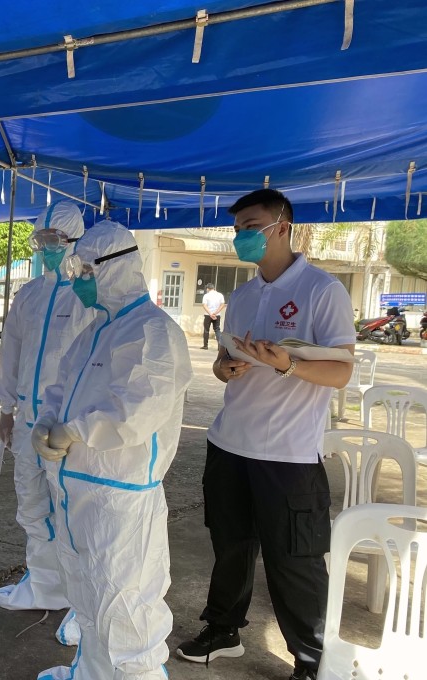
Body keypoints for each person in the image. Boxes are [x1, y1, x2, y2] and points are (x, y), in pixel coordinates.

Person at [175, 189, 355, 680]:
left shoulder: (322, 290)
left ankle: (313, 658)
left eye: (250, 226)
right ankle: (223, 629)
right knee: (230, 544)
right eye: (236, 229)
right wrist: (223, 366)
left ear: (281, 226)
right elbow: (221, 360)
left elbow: (341, 372)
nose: (241, 237)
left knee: (292, 558)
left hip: (288, 453)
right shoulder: (245, 294)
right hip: (230, 441)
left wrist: (289, 364)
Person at [34, 219, 192, 680]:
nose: (78, 280)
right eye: (77, 270)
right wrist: (45, 424)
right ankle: (91, 674)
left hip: (119, 497)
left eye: (86, 270)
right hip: (73, 489)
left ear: (115, 268)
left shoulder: (153, 332)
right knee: (86, 598)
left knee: (125, 608)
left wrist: (75, 431)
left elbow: (136, 412)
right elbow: (59, 389)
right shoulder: (94, 331)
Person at [0, 201, 93, 648]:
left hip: (66, 428)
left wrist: (81, 427)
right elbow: (11, 352)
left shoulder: (89, 294)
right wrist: (5, 407)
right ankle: (42, 585)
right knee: (31, 505)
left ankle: (82, 604)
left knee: (71, 513)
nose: (46, 249)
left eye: (54, 241)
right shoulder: (30, 294)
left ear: (74, 241)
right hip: (27, 421)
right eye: (41, 241)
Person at [201, 282, 226, 349]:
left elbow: (204, 305)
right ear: (214, 288)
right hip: (217, 315)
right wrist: (216, 312)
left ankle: (205, 346)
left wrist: (210, 313)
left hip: (207, 315)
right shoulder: (220, 295)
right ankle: (220, 346)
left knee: (206, 330)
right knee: (217, 330)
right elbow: (222, 304)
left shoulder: (206, 296)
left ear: (208, 289)